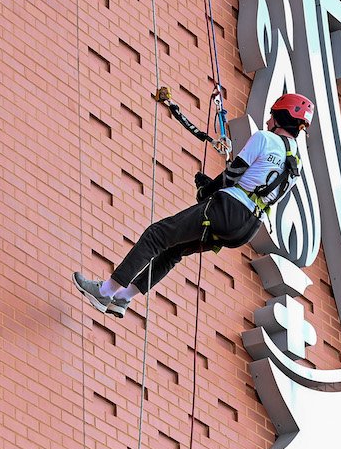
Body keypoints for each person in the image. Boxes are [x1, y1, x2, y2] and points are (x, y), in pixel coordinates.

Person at [73, 91, 314, 317]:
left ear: (281, 117)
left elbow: (233, 174)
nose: (269, 120)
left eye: (273, 115)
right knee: (173, 251)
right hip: (248, 228)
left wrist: (206, 188)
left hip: (229, 209)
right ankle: (124, 298)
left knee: (157, 235)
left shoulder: (265, 138)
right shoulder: (296, 163)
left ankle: (105, 292)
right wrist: (211, 188)